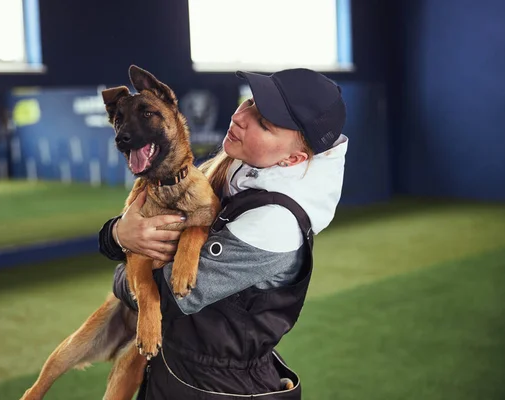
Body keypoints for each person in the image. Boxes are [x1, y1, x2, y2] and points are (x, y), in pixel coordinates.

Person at [99, 68, 348, 399]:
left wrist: (123, 260)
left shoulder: (275, 222)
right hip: (179, 371)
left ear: (293, 159)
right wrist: (116, 234)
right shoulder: (231, 168)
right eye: (249, 103)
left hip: (218, 389)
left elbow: (175, 295)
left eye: (265, 124)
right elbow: (136, 232)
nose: (242, 117)